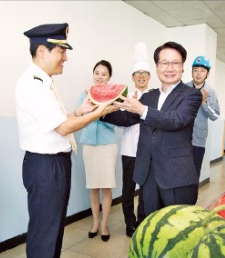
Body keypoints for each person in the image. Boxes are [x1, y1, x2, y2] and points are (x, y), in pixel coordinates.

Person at [15, 23, 118, 258]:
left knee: (55, 224)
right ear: (42, 51)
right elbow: (63, 127)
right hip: (44, 165)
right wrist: (99, 112)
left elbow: (60, 120)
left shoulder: (46, 83)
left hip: (56, 163)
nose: (66, 57)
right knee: (43, 228)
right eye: (61, 51)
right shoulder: (33, 84)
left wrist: (82, 111)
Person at [103, 41, 202, 218]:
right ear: (157, 67)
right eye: (164, 63)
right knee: (150, 225)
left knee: (176, 227)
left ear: (182, 67)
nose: (169, 68)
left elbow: (176, 120)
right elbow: (127, 119)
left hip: (176, 175)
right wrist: (101, 111)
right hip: (148, 174)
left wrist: (141, 109)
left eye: (175, 63)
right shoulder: (149, 96)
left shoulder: (191, 95)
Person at [77, 60, 117, 241]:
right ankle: (95, 222)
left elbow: (116, 119)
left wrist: (104, 108)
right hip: (89, 145)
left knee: (106, 186)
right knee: (93, 186)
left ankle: (105, 224)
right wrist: (89, 106)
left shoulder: (114, 97)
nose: (100, 77)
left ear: (109, 77)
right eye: (97, 73)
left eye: (104, 74)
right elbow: (80, 116)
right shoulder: (84, 95)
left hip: (107, 145)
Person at [121, 42, 150, 236]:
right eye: (137, 73)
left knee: (146, 190)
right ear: (133, 77)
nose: (141, 76)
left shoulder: (156, 96)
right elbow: (123, 120)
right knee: (128, 190)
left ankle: (142, 221)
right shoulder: (125, 97)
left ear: (149, 76)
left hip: (148, 151)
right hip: (129, 150)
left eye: (145, 73)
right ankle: (129, 223)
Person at [185, 56, 220, 177]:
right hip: (181, 139)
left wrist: (204, 103)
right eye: (195, 70)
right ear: (192, 72)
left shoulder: (211, 92)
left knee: (194, 174)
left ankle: (192, 197)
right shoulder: (183, 89)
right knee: (179, 173)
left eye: (202, 70)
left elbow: (215, 115)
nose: (198, 74)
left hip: (198, 141)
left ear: (207, 74)